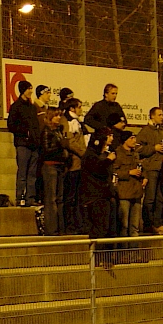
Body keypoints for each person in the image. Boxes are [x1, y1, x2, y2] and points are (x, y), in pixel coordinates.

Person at [80, 128, 117, 264]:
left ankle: (107, 258)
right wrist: (108, 161)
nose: (111, 139)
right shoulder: (90, 155)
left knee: (108, 229)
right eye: (109, 136)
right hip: (94, 197)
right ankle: (98, 259)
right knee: (99, 229)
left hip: (104, 195)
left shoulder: (102, 154)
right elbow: (97, 170)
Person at [135, 106, 163, 235]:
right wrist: (153, 148)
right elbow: (138, 149)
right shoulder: (145, 132)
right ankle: (148, 224)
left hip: (162, 168)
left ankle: (157, 223)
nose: (162, 117)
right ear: (152, 116)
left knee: (160, 198)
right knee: (150, 198)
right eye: (159, 115)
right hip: (151, 168)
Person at [6, 80, 41, 206]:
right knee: (22, 173)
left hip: (33, 145)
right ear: (23, 90)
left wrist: (37, 139)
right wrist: (25, 133)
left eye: (31, 88)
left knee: (32, 174)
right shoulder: (16, 106)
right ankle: (20, 197)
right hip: (22, 144)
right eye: (28, 88)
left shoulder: (32, 107)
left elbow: (36, 126)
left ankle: (30, 198)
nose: (31, 91)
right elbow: (11, 125)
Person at [40, 108, 70, 236]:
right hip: (50, 166)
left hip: (60, 166)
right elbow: (46, 150)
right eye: (56, 116)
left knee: (60, 199)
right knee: (51, 199)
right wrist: (60, 147)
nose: (59, 118)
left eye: (59, 116)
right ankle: (51, 229)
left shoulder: (58, 131)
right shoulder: (47, 131)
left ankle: (61, 228)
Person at [113, 130, 145, 239]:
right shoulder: (117, 154)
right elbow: (114, 172)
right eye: (131, 138)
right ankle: (123, 252)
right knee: (124, 225)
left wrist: (144, 176)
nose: (134, 140)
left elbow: (141, 167)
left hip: (136, 193)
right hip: (124, 193)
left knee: (134, 227)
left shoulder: (135, 154)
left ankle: (134, 252)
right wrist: (128, 173)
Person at [61, 97, 87, 234]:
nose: (81, 109)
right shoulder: (67, 121)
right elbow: (70, 142)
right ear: (72, 108)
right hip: (73, 165)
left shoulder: (77, 122)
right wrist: (84, 154)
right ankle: (69, 226)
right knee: (70, 197)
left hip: (79, 165)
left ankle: (78, 224)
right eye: (79, 106)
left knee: (78, 198)